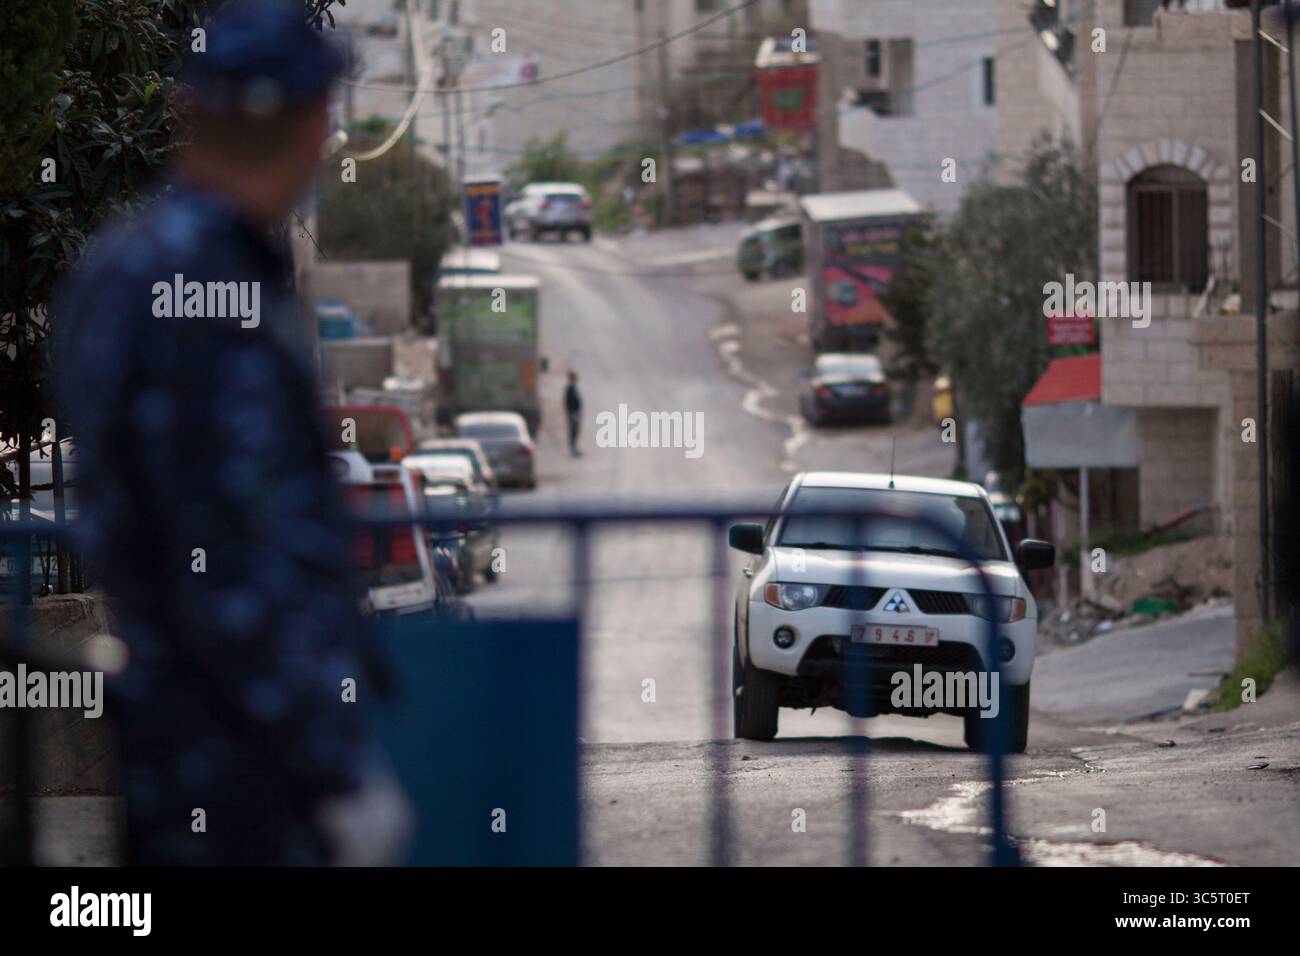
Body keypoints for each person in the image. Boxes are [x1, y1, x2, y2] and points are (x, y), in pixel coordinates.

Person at [53, 0, 408, 866]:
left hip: (173, 742)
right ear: (315, 126)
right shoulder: (211, 287)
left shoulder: (120, 266)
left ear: (190, 114)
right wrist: (330, 769)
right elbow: (235, 569)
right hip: (242, 769)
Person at [564, 371, 583, 457]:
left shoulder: (574, 388)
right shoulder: (570, 389)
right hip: (573, 414)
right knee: (573, 432)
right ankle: (572, 449)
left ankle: (575, 448)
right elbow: (568, 402)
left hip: (576, 414)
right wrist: (571, 413)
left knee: (576, 432)